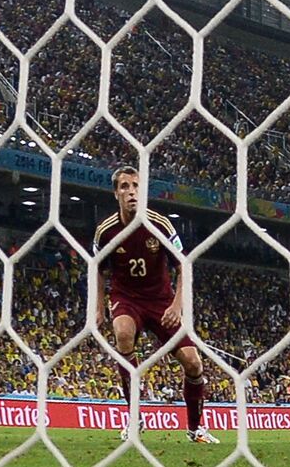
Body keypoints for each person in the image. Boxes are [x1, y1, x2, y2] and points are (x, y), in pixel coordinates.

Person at [94, 166, 217, 443]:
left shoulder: (160, 225)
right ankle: (134, 418)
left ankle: (196, 428)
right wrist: (99, 307)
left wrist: (177, 306)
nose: (131, 192)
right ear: (116, 194)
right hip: (126, 298)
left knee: (193, 364)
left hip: (162, 302)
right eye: (124, 187)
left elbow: (184, 265)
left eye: (136, 186)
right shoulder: (106, 231)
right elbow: (97, 268)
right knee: (123, 336)